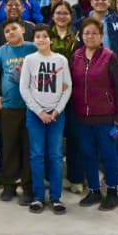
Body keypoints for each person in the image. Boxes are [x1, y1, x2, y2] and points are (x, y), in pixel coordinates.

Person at [70, 17, 118, 211]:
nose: (90, 36)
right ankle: (94, 190)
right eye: (86, 33)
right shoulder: (76, 56)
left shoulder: (109, 57)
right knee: (87, 154)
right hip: (82, 117)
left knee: (108, 155)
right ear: (81, 35)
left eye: (94, 33)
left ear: (101, 36)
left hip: (105, 117)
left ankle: (112, 192)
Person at [20, 24, 73, 214]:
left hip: (56, 116)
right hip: (35, 116)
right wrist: (39, 112)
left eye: (45, 36)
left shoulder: (61, 60)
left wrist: (56, 111)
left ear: (51, 39)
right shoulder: (29, 59)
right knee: (36, 155)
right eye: (38, 37)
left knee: (56, 156)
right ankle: (38, 197)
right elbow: (24, 88)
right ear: (34, 41)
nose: (41, 39)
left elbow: (67, 87)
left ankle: (56, 198)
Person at [0, 20, 36, 205]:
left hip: (31, 108)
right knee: (9, 149)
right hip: (8, 108)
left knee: (28, 149)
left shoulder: (32, 48)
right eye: (7, 31)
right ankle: (9, 186)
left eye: (14, 29)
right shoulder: (2, 51)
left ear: (23, 29)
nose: (10, 32)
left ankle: (28, 187)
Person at [46, 0, 83, 194]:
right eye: (58, 13)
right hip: (50, 94)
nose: (61, 16)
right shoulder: (46, 36)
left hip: (73, 92)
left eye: (65, 13)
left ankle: (75, 178)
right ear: (53, 16)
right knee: (52, 138)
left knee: (75, 137)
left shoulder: (78, 38)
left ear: (71, 16)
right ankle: (49, 177)